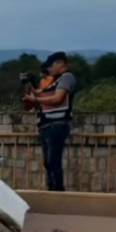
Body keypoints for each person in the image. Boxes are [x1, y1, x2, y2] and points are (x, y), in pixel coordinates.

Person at [23, 52, 76, 191]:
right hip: (46, 125)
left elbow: (57, 99)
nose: (49, 70)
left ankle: (58, 192)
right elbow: (38, 96)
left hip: (58, 124)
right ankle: (52, 189)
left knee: (53, 161)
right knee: (48, 162)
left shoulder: (67, 77)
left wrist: (36, 99)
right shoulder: (52, 82)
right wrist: (29, 85)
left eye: (51, 66)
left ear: (60, 64)